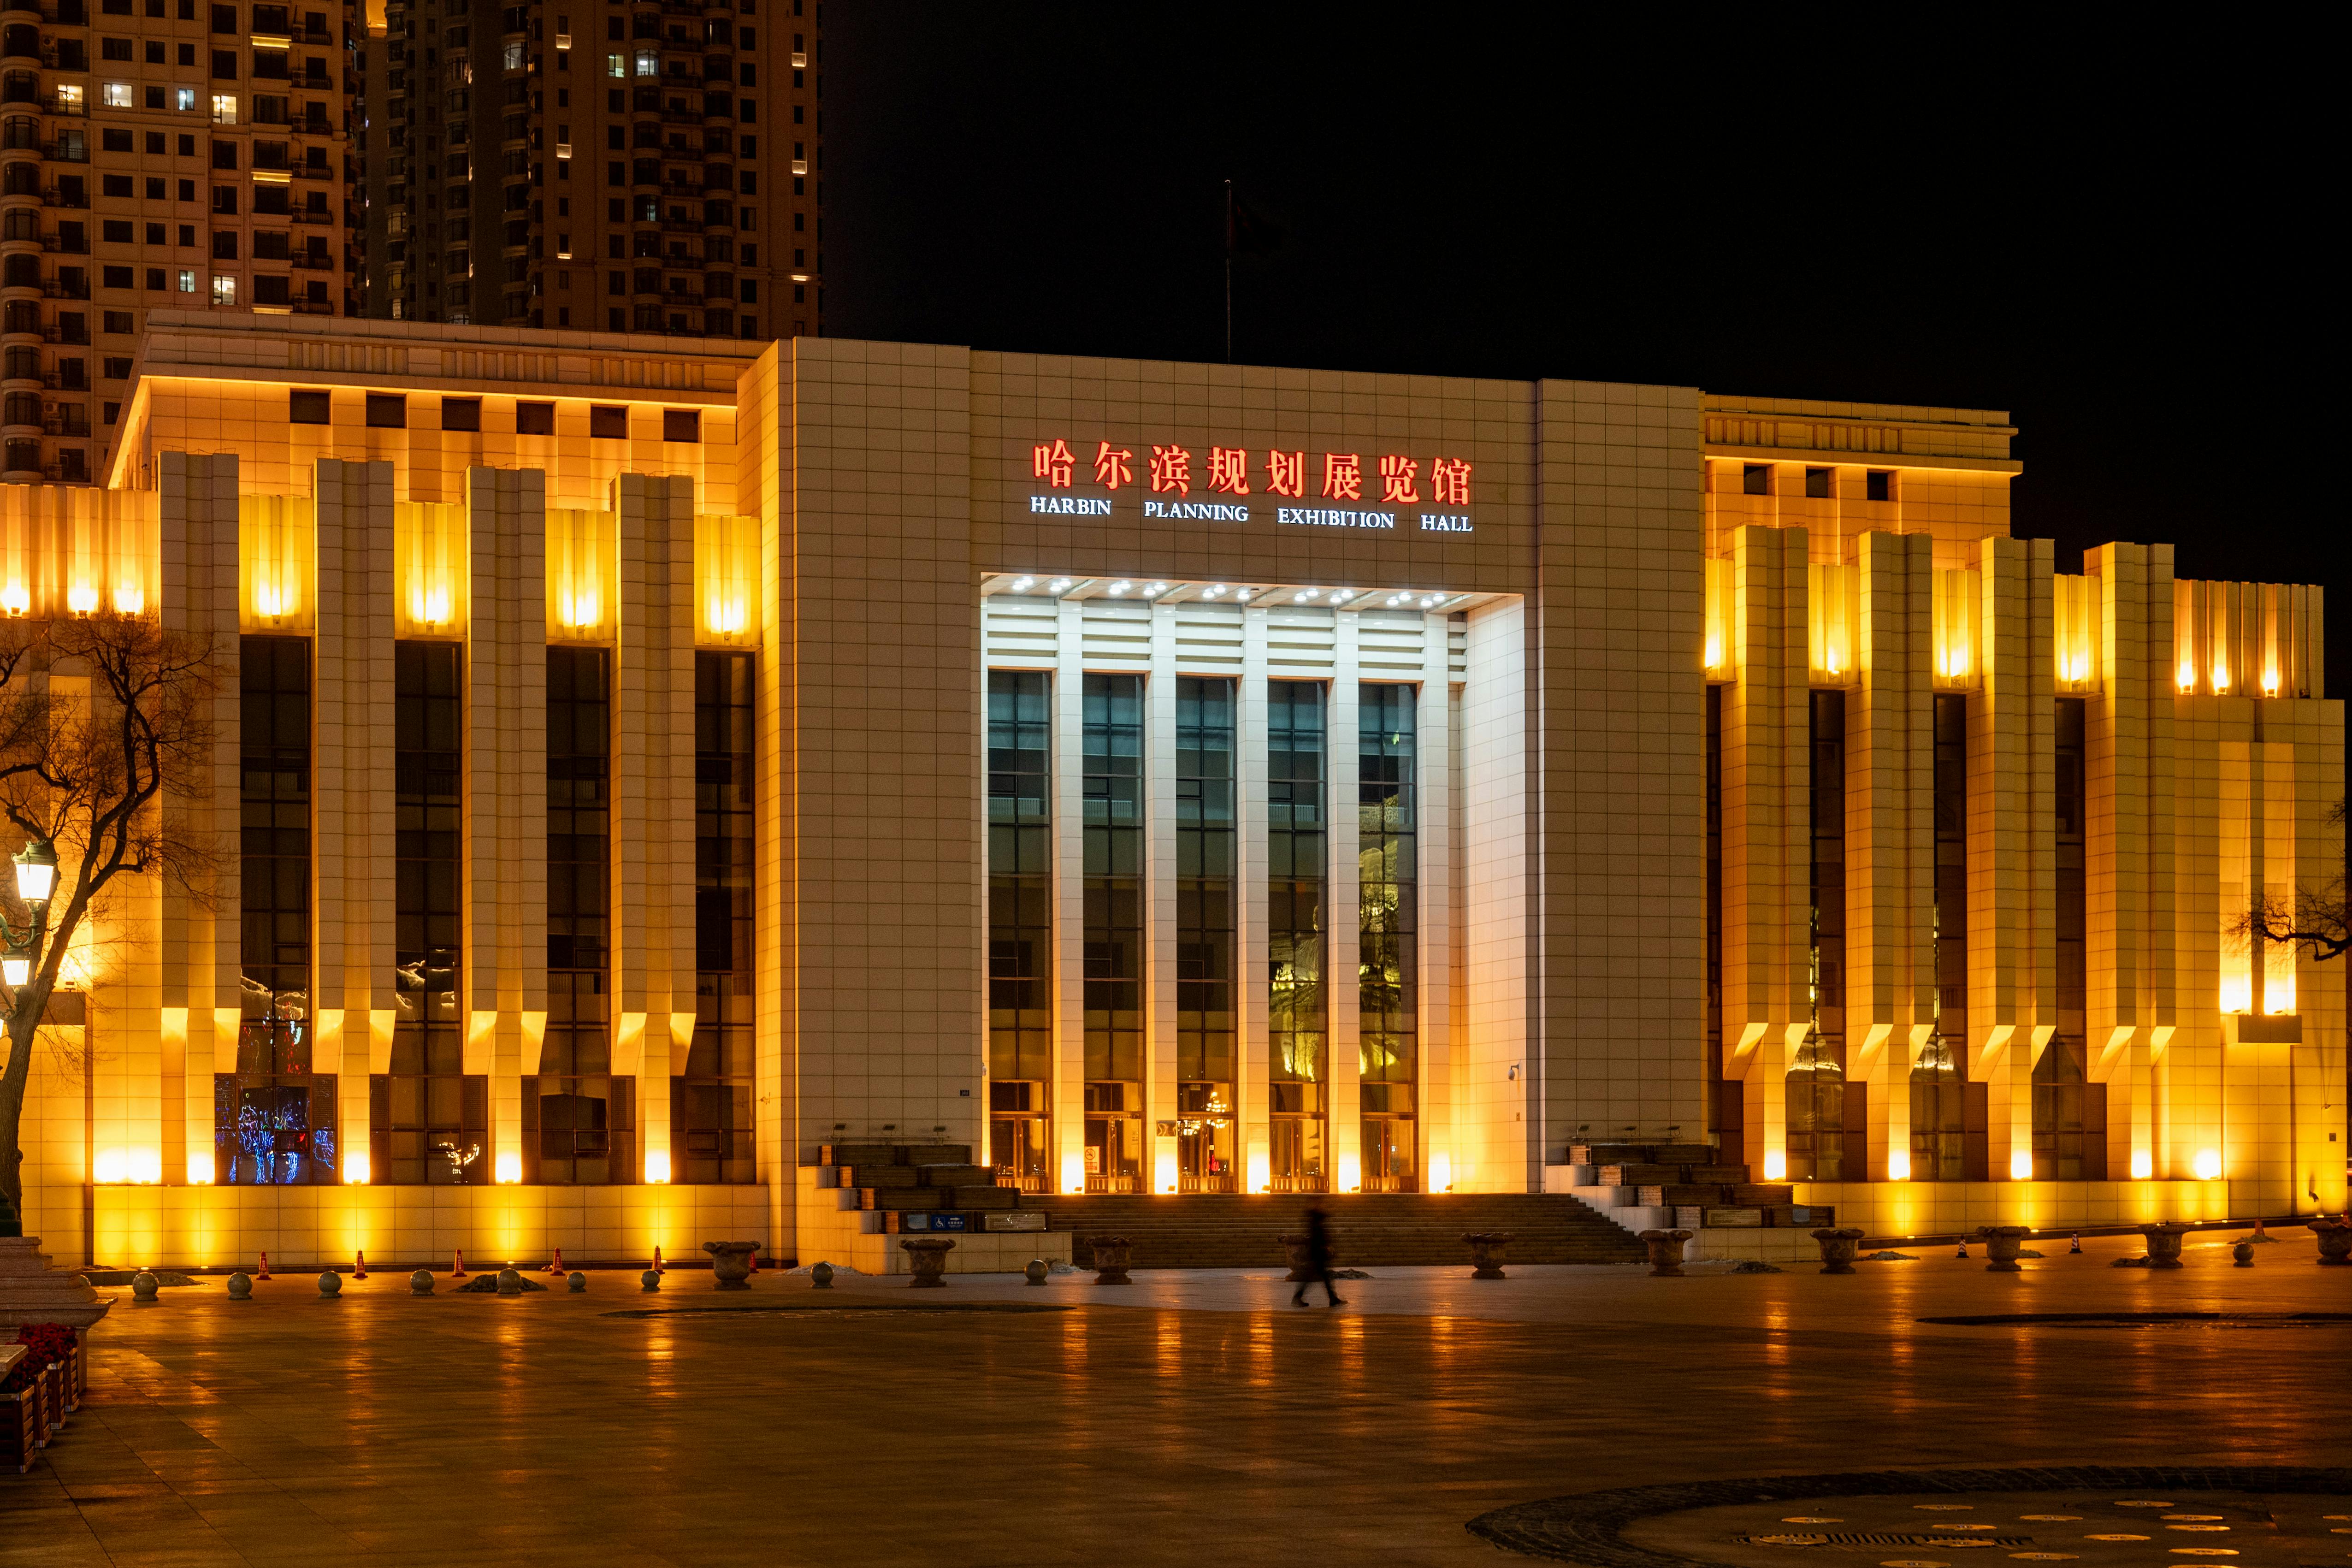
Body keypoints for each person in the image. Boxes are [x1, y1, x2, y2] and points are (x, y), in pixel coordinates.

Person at [1291, 1202, 1343, 1308]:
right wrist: (1326, 1247)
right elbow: (1319, 1239)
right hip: (1318, 1255)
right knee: (1317, 1278)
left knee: (1319, 1277)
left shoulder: (1314, 1223)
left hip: (1317, 1254)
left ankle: (1332, 1298)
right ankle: (1331, 1298)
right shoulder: (1316, 1225)